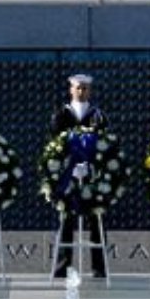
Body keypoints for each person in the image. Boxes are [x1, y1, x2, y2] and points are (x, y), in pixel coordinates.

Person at [50, 73, 108, 279]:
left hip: (91, 176)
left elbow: (104, 144)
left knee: (96, 220)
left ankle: (99, 267)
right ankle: (62, 266)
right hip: (68, 174)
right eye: (78, 88)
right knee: (66, 219)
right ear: (71, 90)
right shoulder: (61, 115)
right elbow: (55, 145)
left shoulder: (97, 115)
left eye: (85, 88)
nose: (81, 91)